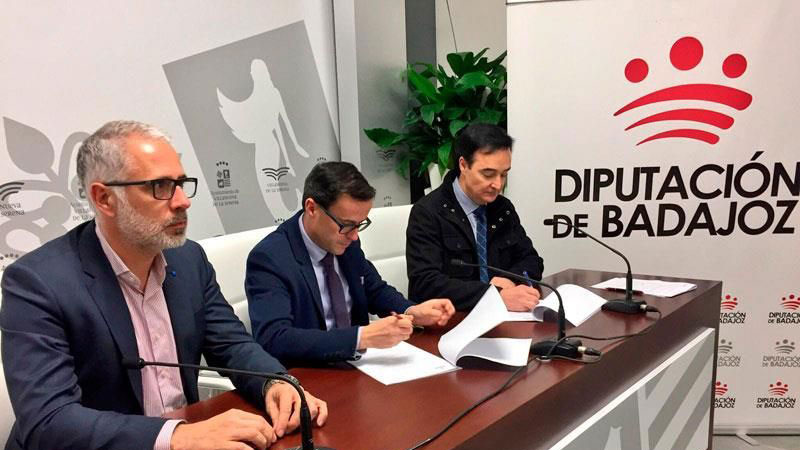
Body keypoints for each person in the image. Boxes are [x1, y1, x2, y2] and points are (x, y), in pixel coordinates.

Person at [0, 121, 327, 450]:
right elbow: (49, 421)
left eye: (181, 184)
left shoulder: (188, 259)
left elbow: (232, 344)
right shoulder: (38, 283)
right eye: (160, 186)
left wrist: (275, 382)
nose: (183, 201)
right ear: (104, 198)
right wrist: (177, 436)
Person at [246, 162, 455, 366]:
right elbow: (275, 338)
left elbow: (374, 289)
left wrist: (412, 311)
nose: (354, 236)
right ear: (312, 208)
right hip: (308, 372)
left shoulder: (346, 241)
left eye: (359, 225)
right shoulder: (270, 258)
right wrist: (361, 337)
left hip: (359, 366)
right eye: (346, 225)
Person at [406, 123, 545, 311]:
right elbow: (424, 284)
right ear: (463, 165)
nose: (498, 185)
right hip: (454, 319)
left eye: (504, 175)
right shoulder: (429, 212)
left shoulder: (502, 209)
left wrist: (509, 279)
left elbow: (532, 260)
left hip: (503, 317)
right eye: (488, 174)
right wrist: (493, 296)